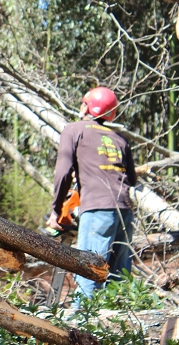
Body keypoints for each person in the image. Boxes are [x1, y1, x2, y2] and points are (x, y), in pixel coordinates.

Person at [46, 86, 137, 305]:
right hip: (124, 211)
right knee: (118, 277)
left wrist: (56, 211)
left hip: (97, 211)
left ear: (88, 106)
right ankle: (121, 328)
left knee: (88, 273)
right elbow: (132, 180)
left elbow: (63, 173)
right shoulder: (120, 139)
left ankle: (82, 329)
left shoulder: (74, 129)